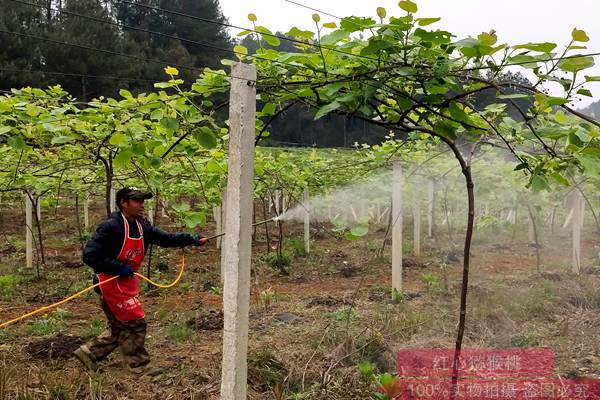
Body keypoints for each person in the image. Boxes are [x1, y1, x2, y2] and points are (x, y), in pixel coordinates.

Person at [73, 187, 206, 375]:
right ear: (123, 203)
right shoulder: (111, 226)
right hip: (109, 282)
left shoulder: (141, 225)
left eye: (142, 201)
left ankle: (89, 353)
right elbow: (90, 255)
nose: (141, 205)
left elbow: (164, 239)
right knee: (135, 322)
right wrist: (118, 267)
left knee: (120, 326)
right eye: (136, 201)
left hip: (126, 281)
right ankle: (139, 366)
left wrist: (190, 239)